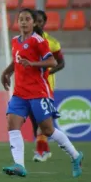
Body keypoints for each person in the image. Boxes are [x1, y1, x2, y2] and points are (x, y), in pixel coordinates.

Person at [0, 8, 83, 178]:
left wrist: (32, 64)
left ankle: (75, 155)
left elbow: (52, 61)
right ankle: (19, 165)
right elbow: (16, 61)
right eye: (21, 19)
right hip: (20, 93)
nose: (24, 22)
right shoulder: (15, 40)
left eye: (27, 19)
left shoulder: (39, 41)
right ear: (18, 23)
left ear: (33, 23)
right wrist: (6, 72)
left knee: (47, 130)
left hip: (38, 92)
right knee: (12, 123)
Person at [29, 10, 66, 162]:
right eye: (34, 20)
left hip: (45, 86)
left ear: (43, 23)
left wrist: (48, 72)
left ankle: (40, 152)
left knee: (41, 120)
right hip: (29, 86)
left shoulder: (52, 43)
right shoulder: (25, 41)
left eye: (39, 21)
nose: (36, 23)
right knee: (34, 122)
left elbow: (61, 63)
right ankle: (44, 149)